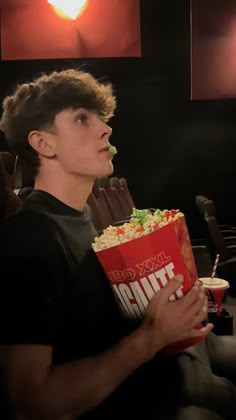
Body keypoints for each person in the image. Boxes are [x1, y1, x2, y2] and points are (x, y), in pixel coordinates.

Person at [0, 69, 235, 420]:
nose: (105, 129)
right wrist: (151, 337)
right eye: (82, 119)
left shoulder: (79, 218)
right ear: (42, 143)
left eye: (101, 118)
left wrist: (173, 296)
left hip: (162, 375)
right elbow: (32, 403)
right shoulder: (30, 239)